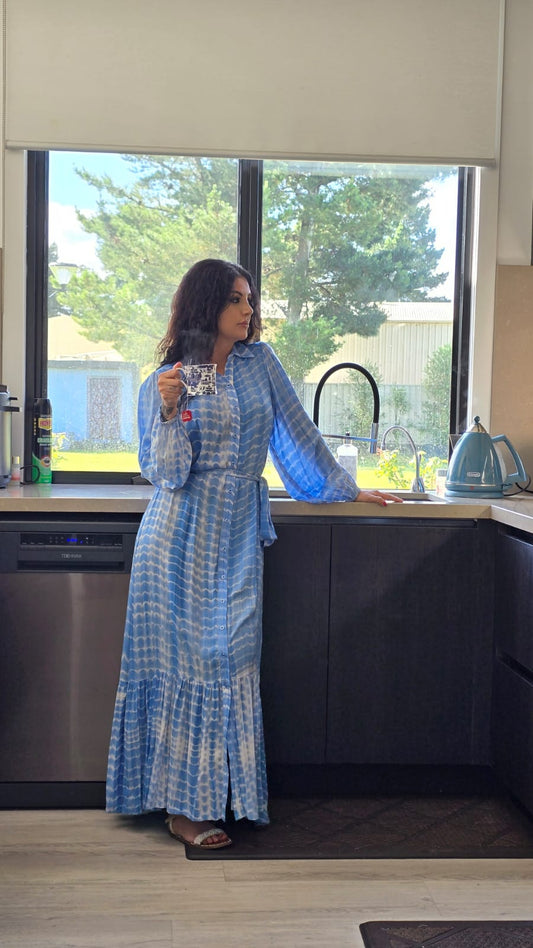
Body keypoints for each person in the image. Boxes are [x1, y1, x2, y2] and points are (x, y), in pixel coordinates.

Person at [106, 258, 401, 850]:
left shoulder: (259, 364)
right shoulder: (172, 378)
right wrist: (166, 411)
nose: (249, 309)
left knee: (229, 657)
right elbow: (165, 472)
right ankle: (182, 810)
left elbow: (297, 434)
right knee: (185, 667)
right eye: (237, 299)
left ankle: (221, 796)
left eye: (250, 299)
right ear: (206, 305)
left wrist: (343, 487)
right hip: (176, 539)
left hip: (237, 533)